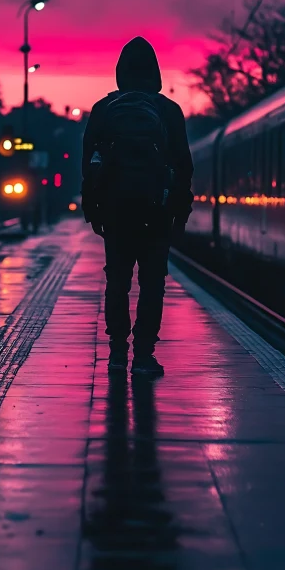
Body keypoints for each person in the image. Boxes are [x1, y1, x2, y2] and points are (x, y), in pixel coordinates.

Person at [81, 36, 193, 375]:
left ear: (120, 72)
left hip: (116, 211)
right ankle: (143, 356)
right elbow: (184, 168)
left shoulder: (103, 109)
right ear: (155, 73)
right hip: (156, 211)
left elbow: (89, 163)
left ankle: (117, 353)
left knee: (117, 281)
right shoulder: (169, 111)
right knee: (152, 283)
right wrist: (178, 213)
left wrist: (93, 209)